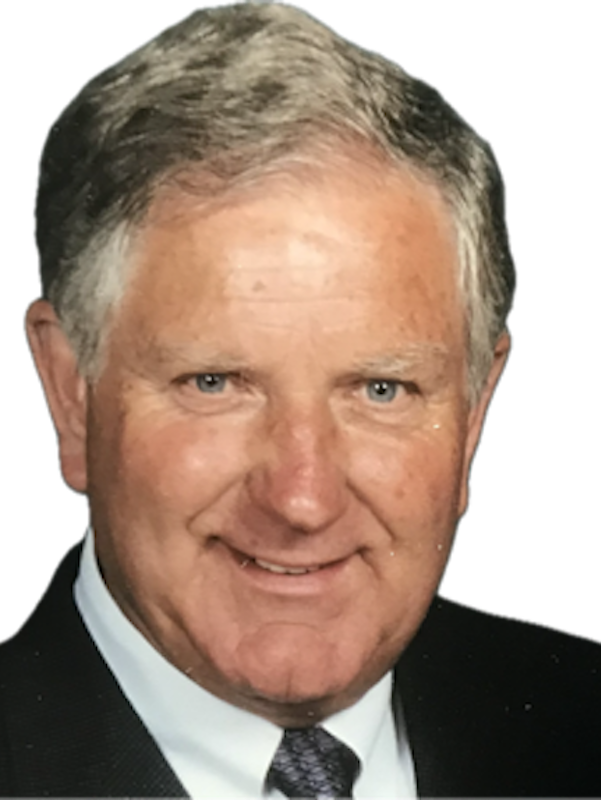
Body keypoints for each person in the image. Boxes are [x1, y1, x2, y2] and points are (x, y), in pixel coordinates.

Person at [2, 2, 598, 798]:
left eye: (381, 390)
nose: (301, 499)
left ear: (473, 412)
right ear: (70, 393)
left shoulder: (579, 722)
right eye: (215, 383)